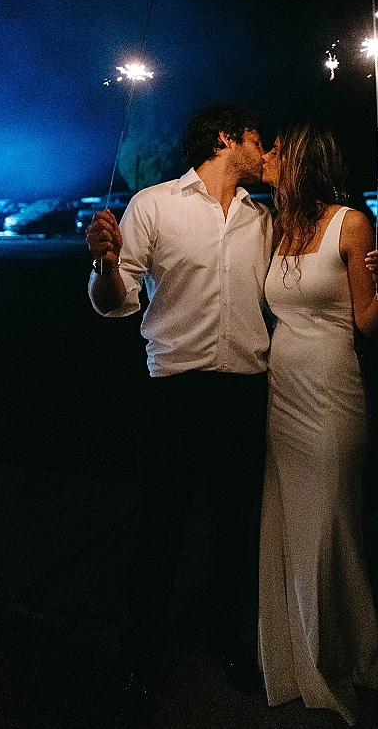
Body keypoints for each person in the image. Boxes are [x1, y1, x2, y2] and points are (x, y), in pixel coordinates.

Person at [85, 103, 273, 724]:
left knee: (233, 528)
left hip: (246, 391)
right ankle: (141, 654)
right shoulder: (153, 204)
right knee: (160, 527)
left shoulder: (261, 217)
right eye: (256, 140)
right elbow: (116, 305)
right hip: (177, 391)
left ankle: (227, 642)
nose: (263, 150)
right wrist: (108, 263)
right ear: (226, 140)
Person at [258, 122, 378, 726]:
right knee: (287, 525)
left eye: (275, 151)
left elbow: (366, 323)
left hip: (333, 392)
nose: (263, 157)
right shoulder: (275, 225)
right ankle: (290, 657)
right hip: (281, 392)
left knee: (333, 524)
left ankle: (347, 651)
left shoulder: (350, 223)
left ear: (298, 162)